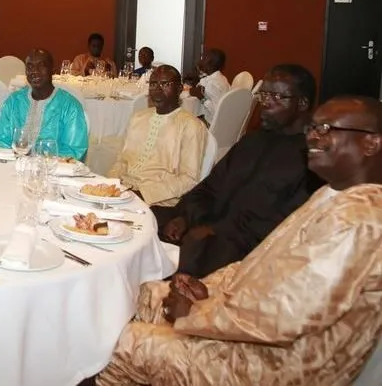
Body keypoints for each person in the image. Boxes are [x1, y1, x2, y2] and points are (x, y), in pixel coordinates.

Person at [96, 96, 382, 386]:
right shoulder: (333, 195)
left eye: (326, 128)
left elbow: (287, 315)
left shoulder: (359, 220)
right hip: (252, 324)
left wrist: (196, 312)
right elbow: (262, 262)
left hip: (279, 364)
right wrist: (208, 288)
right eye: (313, 128)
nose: (313, 136)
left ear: (371, 143)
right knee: (147, 294)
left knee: (127, 341)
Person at [153, 64, 323, 277]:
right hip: (206, 223)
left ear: (302, 103)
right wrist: (186, 217)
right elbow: (209, 187)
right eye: (263, 95)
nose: (265, 103)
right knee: (145, 219)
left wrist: (215, 231)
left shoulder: (312, 158)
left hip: (246, 248)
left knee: (198, 251)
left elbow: (284, 225)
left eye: (276, 96)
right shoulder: (252, 141)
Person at [107, 66, 207, 206]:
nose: (157, 90)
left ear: (179, 89)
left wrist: (143, 194)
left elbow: (188, 180)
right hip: (123, 192)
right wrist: (111, 184)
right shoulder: (138, 117)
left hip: (158, 202)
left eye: (165, 84)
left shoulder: (191, 126)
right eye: (153, 84)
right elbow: (122, 160)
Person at [0, 49, 88, 160]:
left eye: (41, 66)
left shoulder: (70, 107)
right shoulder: (14, 101)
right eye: (30, 67)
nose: (34, 71)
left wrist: (38, 159)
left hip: (51, 172)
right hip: (14, 168)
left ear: (52, 70)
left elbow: (74, 151)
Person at [185, 48, 229, 124]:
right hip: (219, 122)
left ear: (209, 63)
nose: (200, 60)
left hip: (211, 124)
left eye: (203, 58)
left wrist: (202, 98)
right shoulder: (222, 78)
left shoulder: (212, 84)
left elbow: (217, 112)